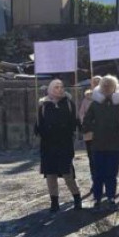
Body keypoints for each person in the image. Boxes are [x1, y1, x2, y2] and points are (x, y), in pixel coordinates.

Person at [83, 76, 119, 211]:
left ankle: (111, 197)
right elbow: (85, 124)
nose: (106, 88)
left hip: (116, 144)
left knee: (112, 173)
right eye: (104, 86)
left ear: (115, 88)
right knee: (98, 173)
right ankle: (97, 198)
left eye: (109, 86)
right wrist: (94, 126)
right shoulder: (95, 103)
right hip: (99, 144)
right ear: (100, 88)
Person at [36, 79, 83, 212]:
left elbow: (74, 121)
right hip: (48, 145)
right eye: (56, 87)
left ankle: (77, 198)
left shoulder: (68, 103)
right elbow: (39, 123)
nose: (60, 89)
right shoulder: (44, 105)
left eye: (61, 87)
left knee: (67, 173)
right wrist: (39, 130)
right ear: (51, 89)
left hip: (64, 144)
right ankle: (54, 202)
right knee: (50, 175)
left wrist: (75, 129)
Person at [77, 75, 101, 194]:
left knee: (103, 160)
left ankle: (104, 184)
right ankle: (95, 183)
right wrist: (88, 122)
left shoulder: (106, 97)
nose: (96, 84)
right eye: (94, 82)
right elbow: (81, 114)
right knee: (92, 160)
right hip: (90, 135)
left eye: (98, 82)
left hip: (102, 135)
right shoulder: (87, 99)